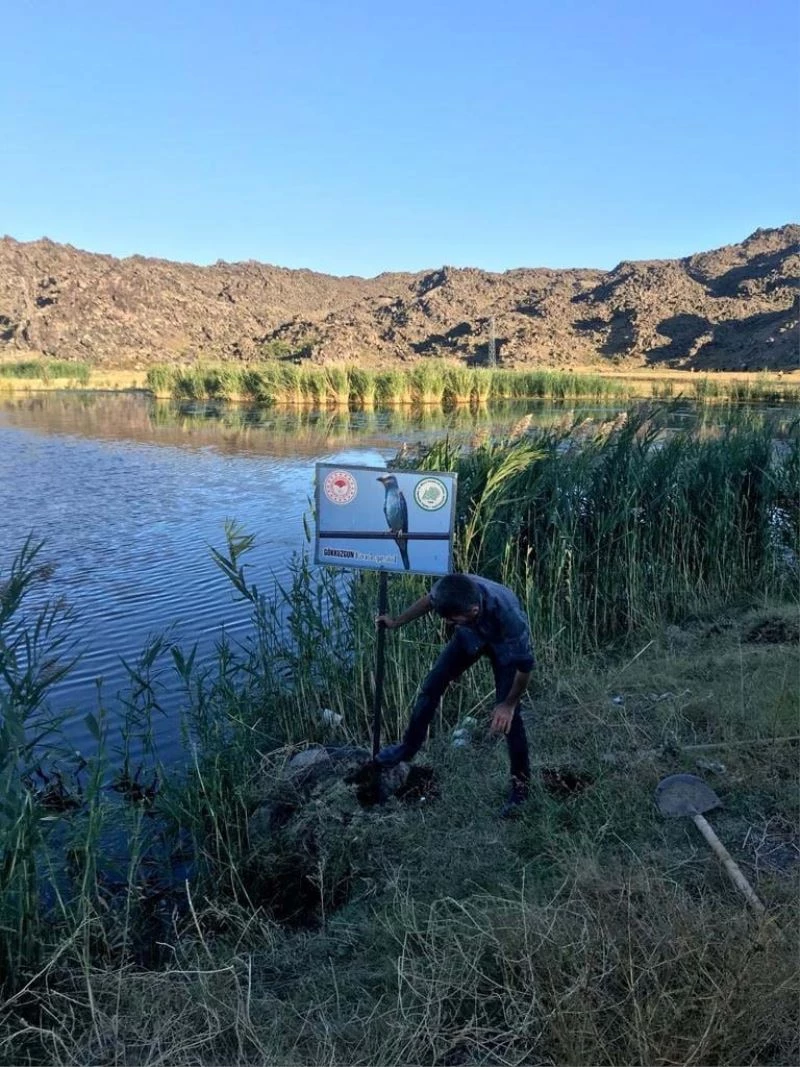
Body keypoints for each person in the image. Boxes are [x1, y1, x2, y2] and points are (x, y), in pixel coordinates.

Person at [374, 572, 534, 818]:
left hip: (503, 644)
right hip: (471, 632)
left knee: (511, 721)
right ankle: (408, 748)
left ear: (472, 610)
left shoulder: (509, 616)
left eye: (451, 618)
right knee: (431, 687)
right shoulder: (451, 589)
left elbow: (525, 668)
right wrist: (396, 622)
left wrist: (508, 705)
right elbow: (429, 601)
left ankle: (521, 790)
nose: (447, 623)